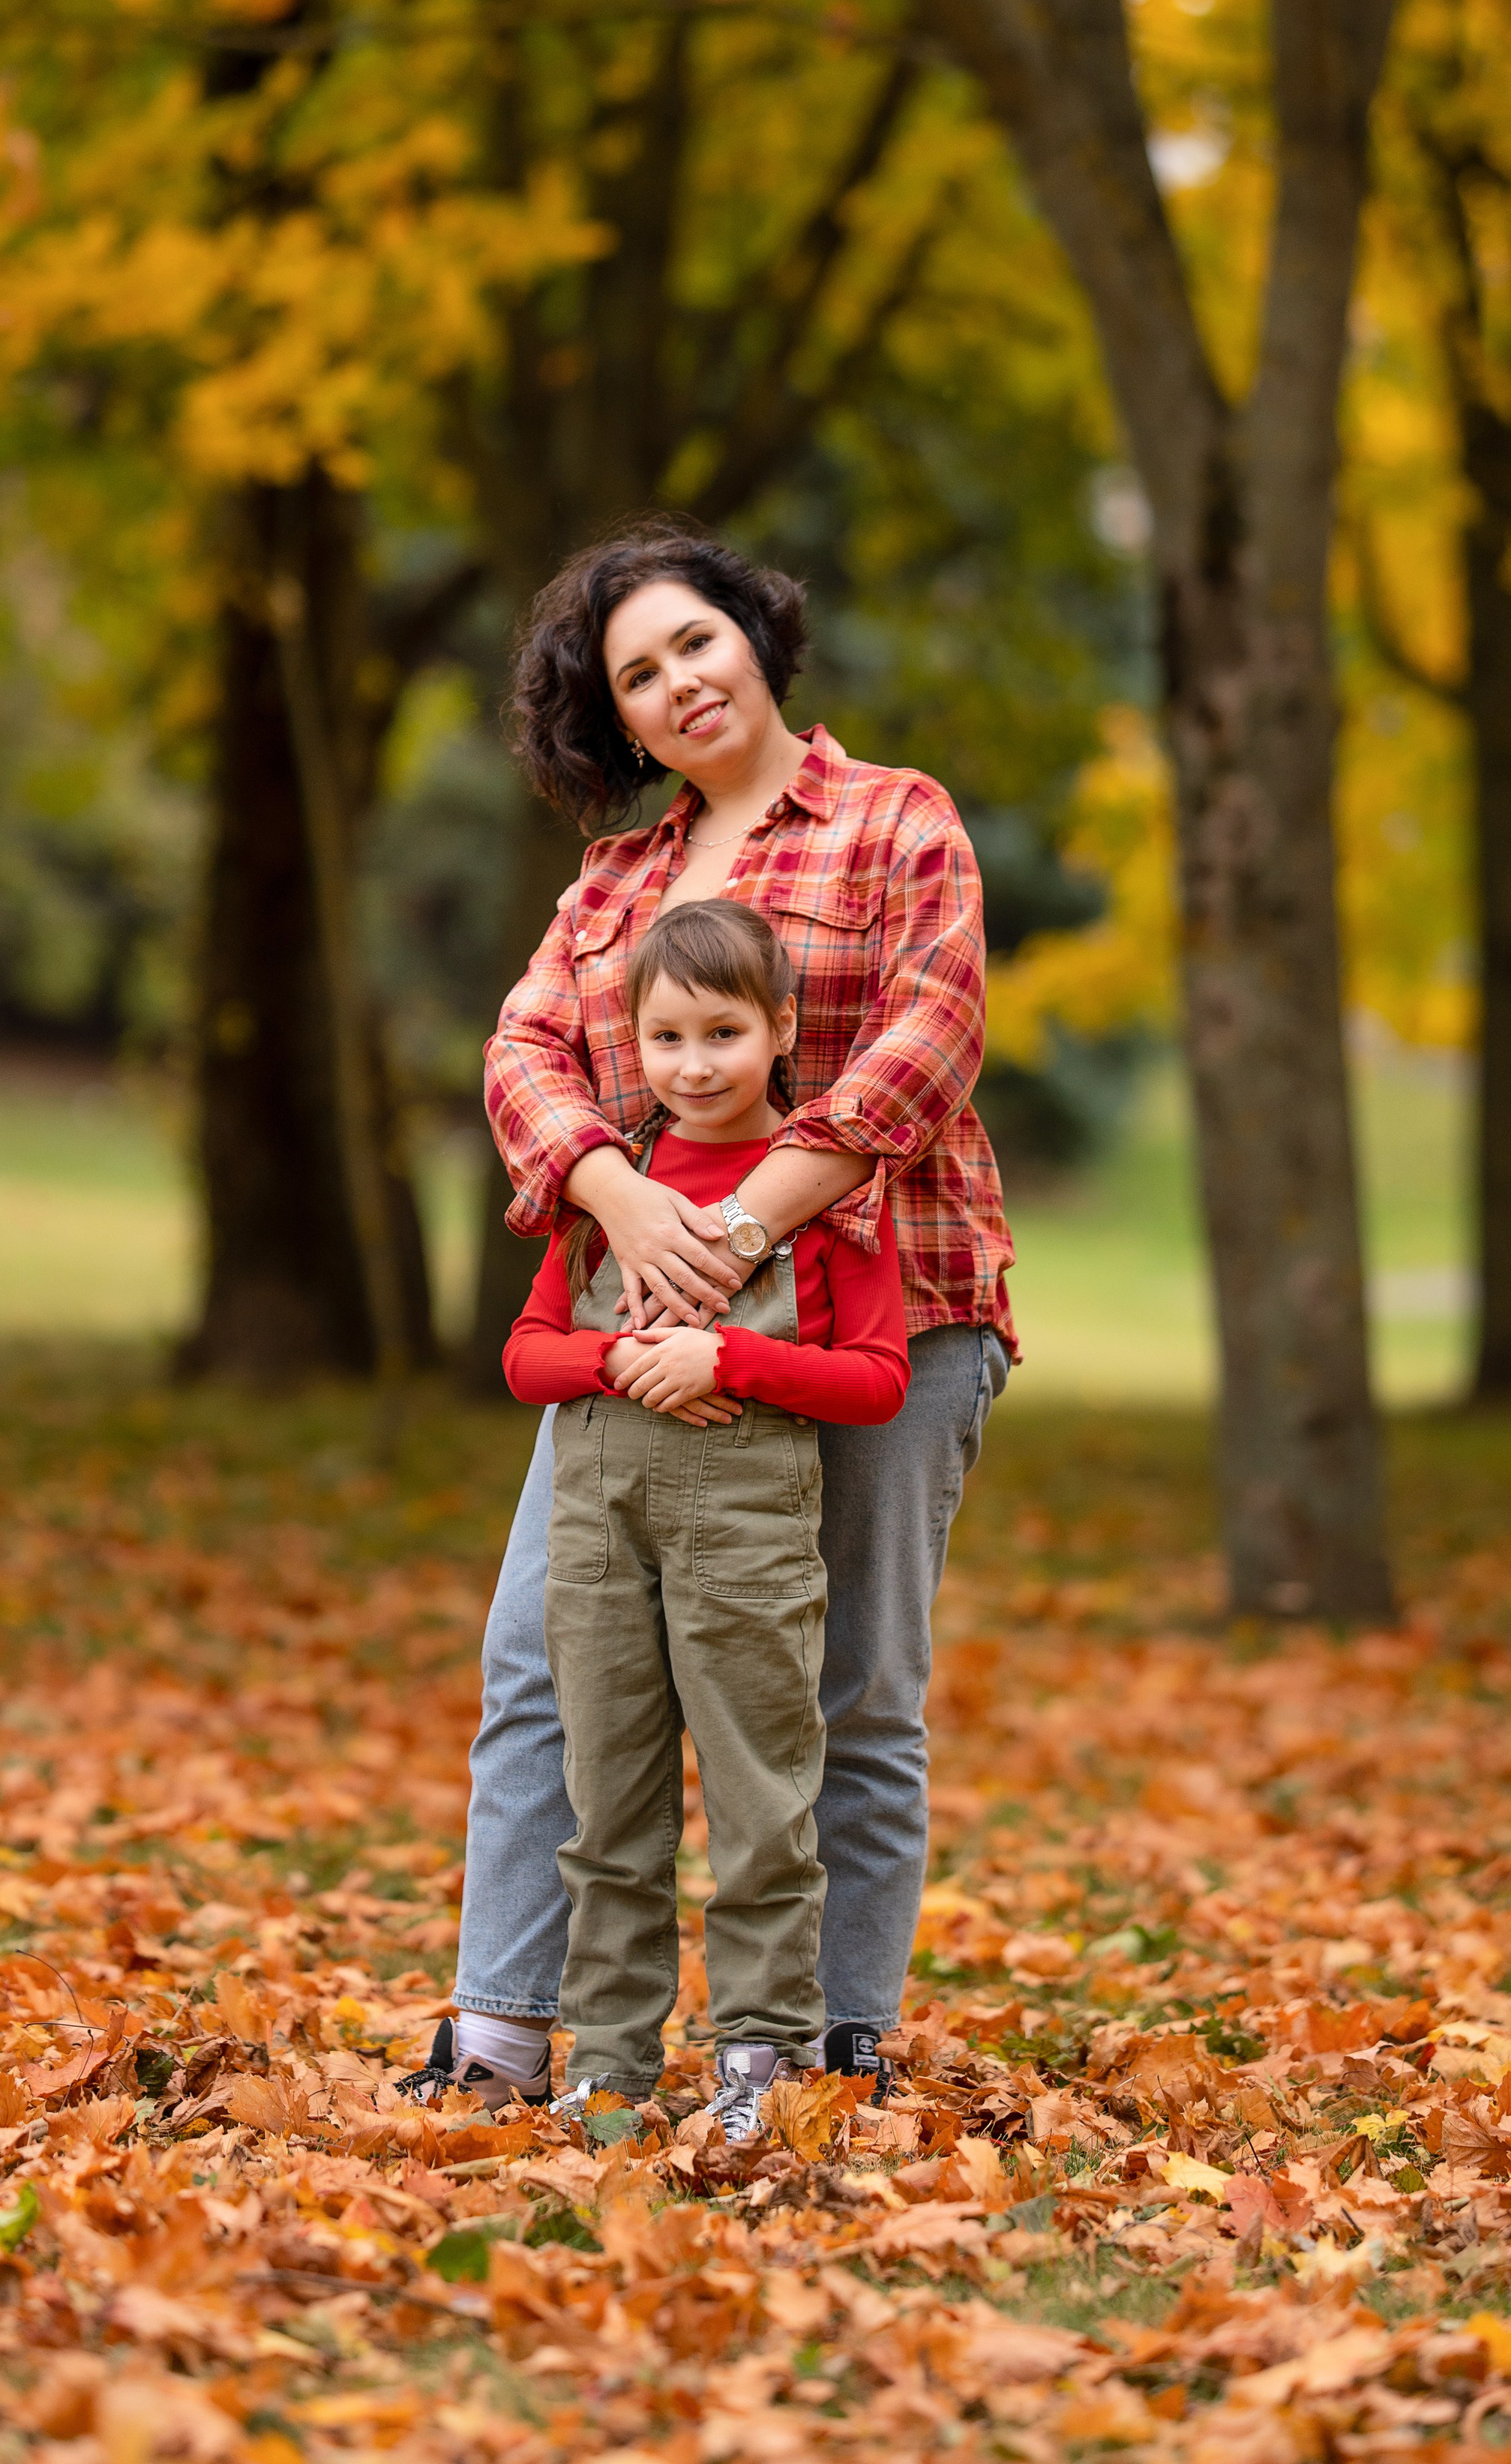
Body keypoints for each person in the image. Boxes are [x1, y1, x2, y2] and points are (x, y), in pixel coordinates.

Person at [409, 511, 1013, 2114]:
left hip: (891, 1313)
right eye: (636, 675)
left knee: (854, 1687)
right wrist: (613, 1196)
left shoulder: (894, 823)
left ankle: (823, 2045)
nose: (679, 681)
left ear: (751, 633)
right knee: (540, 1657)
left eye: (694, 639)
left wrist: (737, 1227)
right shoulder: (613, 885)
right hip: (633, 1350)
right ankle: (500, 2033)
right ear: (612, 720)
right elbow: (519, 1060)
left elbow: (924, 1045)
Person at [504, 899, 909, 2138]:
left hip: (745, 1533)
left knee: (760, 1803)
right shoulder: (611, 1188)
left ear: (782, 1028)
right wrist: (619, 1362)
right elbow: (528, 1356)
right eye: (667, 1038)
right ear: (634, 1041)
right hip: (600, 1526)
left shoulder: (829, 1199)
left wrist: (727, 1358)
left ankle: (761, 2057)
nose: (694, 1066)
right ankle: (608, 2064)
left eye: (723, 1034)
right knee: (608, 1803)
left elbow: (878, 1376)